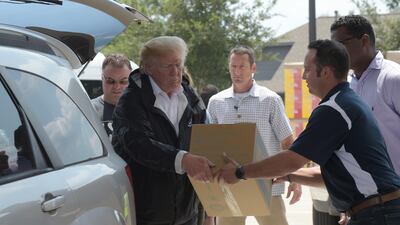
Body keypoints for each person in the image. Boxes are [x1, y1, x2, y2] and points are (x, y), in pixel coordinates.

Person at [216, 40, 400, 225]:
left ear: (326, 72)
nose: (303, 76)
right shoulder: (348, 101)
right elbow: (325, 175)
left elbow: (292, 159)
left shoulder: (333, 110)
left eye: (308, 69)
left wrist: (240, 172)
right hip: (376, 210)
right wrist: (289, 176)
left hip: (378, 213)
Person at [112, 36, 214, 225]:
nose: (176, 72)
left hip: (186, 213)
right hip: (147, 214)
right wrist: (182, 159)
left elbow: (205, 141)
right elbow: (139, 144)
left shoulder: (191, 98)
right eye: (168, 66)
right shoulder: (131, 102)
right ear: (147, 68)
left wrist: (206, 211)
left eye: (179, 65)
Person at [207, 46, 301, 225]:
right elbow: (211, 144)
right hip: (229, 186)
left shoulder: (270, 100)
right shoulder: (216, 102)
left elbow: (288, 142)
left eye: (242, 66)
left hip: (267, 185)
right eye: (233, 66)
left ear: (253, 68)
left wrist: (295, 179)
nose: (237, 71)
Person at [330, 15, 400, 176]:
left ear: (364, 41)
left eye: (340, 44)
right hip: (367, 194)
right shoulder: (346, 85)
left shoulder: (392, 78)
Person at [91, 53, 131, 136]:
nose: (117, 87)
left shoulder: (141, 110)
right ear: (102, 78)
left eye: (123, 81)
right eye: (110, 81)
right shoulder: (89, 110)